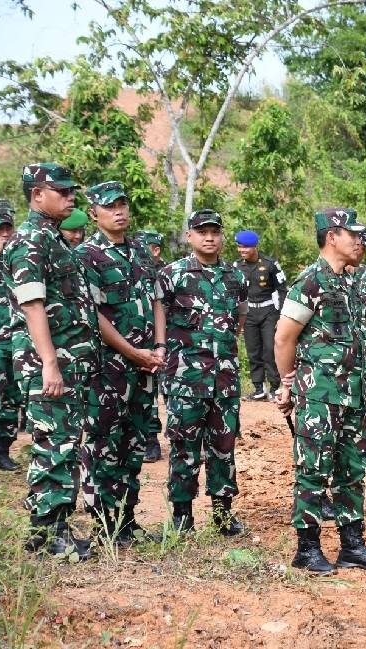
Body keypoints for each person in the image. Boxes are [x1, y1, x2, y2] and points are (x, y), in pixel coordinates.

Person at [273, 208, 366, 576]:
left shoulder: (350, 282)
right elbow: (283, 338)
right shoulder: (309, 282)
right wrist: (289, 382)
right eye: (352, 234)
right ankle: (307, 549)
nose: (359, 241)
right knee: (313, 470)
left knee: (352, 470)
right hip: (321, 396)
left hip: (354, 394)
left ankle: (352, 545)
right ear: (331, 237)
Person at [3, 163, 101, 559]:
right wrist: (49, 363)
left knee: (63, 445)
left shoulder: (54, 240)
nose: (70, 196)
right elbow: (32, 305)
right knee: (53, 447)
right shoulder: (29, 241)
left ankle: (54, 528)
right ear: (36, 194)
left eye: (71, 189)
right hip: (48, 362)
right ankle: (46, 538)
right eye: (60, 191)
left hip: (66, 362)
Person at [77, 182, 166, 545]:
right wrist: (132, 352)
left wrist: (158, 346)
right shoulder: (86, 256)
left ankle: (127, 520)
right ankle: (104, 525)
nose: (119, 211)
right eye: (109, 206)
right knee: (104, 443)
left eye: (122, 204)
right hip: (107, 368)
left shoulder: (143, 251)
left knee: (134, 442)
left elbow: (158, 299)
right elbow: (94, 315)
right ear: (94, 213)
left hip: (145, 367)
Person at [159, 209, 247, 535]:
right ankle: (182, 518)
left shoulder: (235, 277)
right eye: (201, 231)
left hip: (224, 379)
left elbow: (238, 319)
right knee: (184, 448)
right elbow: (160, 321)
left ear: (222, 235)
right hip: (186, 379)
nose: (209, 237)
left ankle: (223, 516)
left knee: (223, 448)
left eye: (214, 231)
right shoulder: (173, 275)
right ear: (189, 236)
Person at [234, 230, 287, 400]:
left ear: (255, 247)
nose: (242, 250)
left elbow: (282, 290)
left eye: (246, 247)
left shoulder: (270, 264)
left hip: (269, 312)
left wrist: (281, 315)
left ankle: (274, 387)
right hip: (248, 313)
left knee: (270, 350)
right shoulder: (236, 267)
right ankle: (258, 388)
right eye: (239, 247)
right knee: (253, 351)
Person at [0, 202, 21, 471]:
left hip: (17, 340)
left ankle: (1, 450)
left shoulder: (17, 253)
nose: (3, 233)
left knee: (12, 398)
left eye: (7, 227)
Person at [135, 230, 168, 463]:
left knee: (153, 390)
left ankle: (151, 439)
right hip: (134, 338)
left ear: (154, 249)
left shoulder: (166, 273)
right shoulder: (131, 267)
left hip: (161, 340)